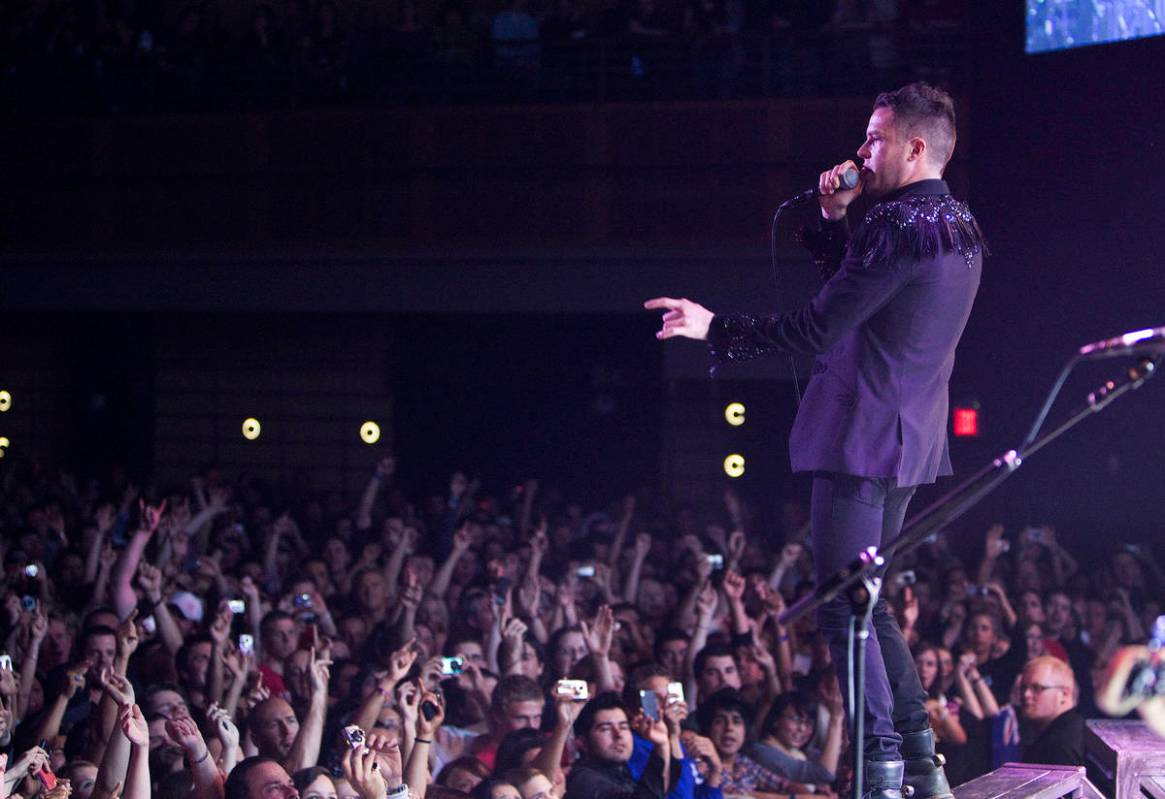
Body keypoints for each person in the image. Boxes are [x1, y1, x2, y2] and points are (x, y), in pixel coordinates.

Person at [645, 81, 986, 799]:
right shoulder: (954, 225)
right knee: (868, 599)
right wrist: (834, 216)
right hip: (904, 436)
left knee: (843, 603)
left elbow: (817, 326)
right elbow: (862, 300)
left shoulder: (900, 227)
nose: (860, 152)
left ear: (915, 146)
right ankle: (918, 760)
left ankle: (882, 764)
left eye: (874, 138)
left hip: (863, 433)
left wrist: (716, 327)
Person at [1017, 656, 1084, 766]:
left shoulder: (1061, 743)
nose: (1026, 695)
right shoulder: (1072, 729)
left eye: (1037, 688)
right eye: (1023, 688)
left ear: (1064, 695)